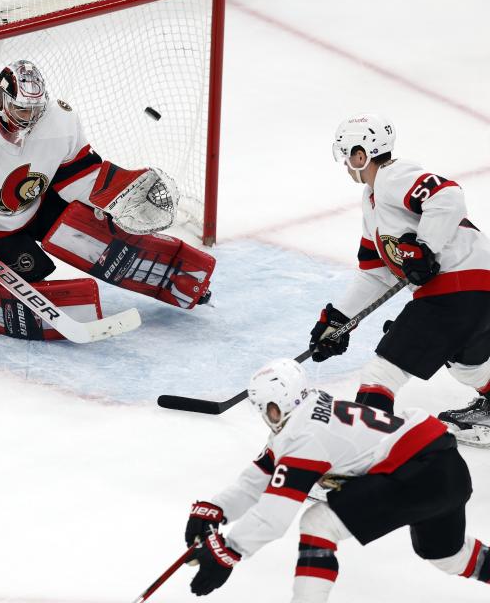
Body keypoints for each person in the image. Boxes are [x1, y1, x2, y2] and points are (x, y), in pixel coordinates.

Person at [0, 59, 215, 337]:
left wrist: (115, 197)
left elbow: (79, 174)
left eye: (37, 109)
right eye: (23, 109)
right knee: (35, 272)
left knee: (99, 236)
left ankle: (175, 279)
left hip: (39, 205)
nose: (31, 118)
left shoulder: (60, 119)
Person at [183, 358, 489, 601]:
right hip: (443, 468)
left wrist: (229, 550)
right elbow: (258, 480)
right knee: (449, 556)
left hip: (420, 473)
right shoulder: (309, 415)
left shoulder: (307, 436)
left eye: (268, 409)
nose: (267, 416)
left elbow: (273, 516)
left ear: (281, 403)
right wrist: (215, 507)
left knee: (318, 523)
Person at [308, 113, 490, 446]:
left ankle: (364, 455)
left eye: (347, 156)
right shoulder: (372, 201)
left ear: (361, 155)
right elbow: (375, 273)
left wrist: (426, 246)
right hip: (475, 289)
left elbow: (448, 196)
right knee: (467, 365)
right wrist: (339, 320)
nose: (346, 166)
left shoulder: (394, 176)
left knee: (382, 374)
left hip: (457, 285)